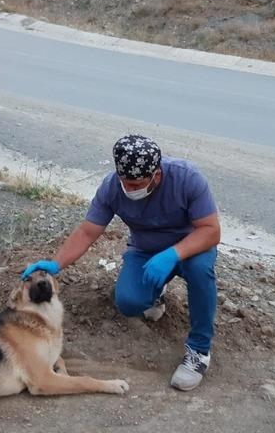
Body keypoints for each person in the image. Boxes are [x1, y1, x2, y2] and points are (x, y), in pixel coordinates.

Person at [21, 134, 221, 391]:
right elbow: (88, 231)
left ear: (156, 175)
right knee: (128, 302)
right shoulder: (112, 187)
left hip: (191, 246)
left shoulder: (187, 178)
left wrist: (172, 254)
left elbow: (211, 231)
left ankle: (199, 350)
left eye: (137, 183)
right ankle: (156, 291)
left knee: (200, 270)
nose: (130, 188)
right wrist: (56, 264)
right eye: (125, 181)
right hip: (146, 250)